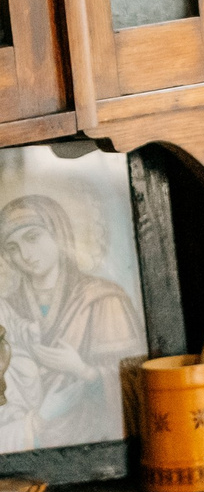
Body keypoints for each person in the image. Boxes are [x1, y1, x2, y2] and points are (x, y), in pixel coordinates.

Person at [0, 193, 144, 452]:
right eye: (12, 247)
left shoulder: (103, 299)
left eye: (32, 237)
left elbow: (136, 385)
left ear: (58, 233)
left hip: (98, 443)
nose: (24, 254)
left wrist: (84, 371)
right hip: (26, 443)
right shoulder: (7, 310)